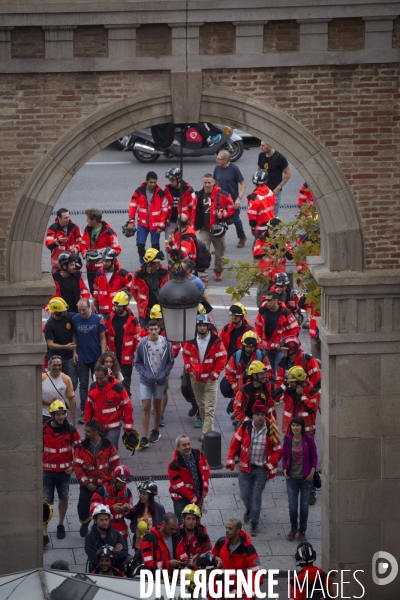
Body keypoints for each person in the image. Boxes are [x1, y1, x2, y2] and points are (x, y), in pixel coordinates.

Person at [226, 401, 282, 536]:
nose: (260, 417)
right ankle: (250, 510)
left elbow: (277, 450)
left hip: (261, 470)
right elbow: (235, 444)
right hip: (245, 468)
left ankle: (254, 523)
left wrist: (270, 464)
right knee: (244, 495)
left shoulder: (271, 428)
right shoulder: (245, 426)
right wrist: (230, 459)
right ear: (253, 415)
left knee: (256, 496)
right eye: (257, 414)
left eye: (262, 414)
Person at [182, 314, 227, 439]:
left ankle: (207, 434)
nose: (202, 328)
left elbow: (222, 358)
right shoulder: (191, 339)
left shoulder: (216, 340)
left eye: (204, 325)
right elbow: (186, 354)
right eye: (200, 325)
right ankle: (207, 430)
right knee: (201, 406)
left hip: (210, 380)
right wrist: (188, 369)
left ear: (208, 326)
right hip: (195, 378)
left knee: (209, 408)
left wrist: (215, 374)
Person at [43, 400, 81, 546]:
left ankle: (60, 524)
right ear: (51, 415)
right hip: (47, 472)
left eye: (63, 414)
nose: (60, 417)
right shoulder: (43, 430)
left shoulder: (71, 429)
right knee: (45, 503)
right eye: (57, 414)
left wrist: (73, 465)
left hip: (64, 472)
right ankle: (44, 533)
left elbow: (79, 449)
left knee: (64, 498)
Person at [73, 420, 120, 537]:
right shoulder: (81, 447)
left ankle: (101, 528)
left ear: (96, 432)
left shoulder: (108, 446)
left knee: (103, 508)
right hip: (88, 485)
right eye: (85, 431)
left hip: (104, 486)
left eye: (88, 431)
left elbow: (116, 464)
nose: (85, 433)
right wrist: (86, 482)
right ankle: (85, 523)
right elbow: (77, 466)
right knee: (83, 508)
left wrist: (113, 482)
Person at [134, 319, 174, 447]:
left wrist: (164, 374)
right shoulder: (142, 344)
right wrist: (145, 374)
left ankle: (155, 430)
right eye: (151, 330)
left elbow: (170, 361)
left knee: (157, 405)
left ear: (159, 329)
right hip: (146, 380)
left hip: (160, 380)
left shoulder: (166, 344)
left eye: (155, 329)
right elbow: (137, 362)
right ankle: (144, 436)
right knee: (146, 406)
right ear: (147, 330)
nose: (153, 332)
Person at [138, 305, 181, 427]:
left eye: (161, 319)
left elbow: (176, 347)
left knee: (163, 390)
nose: (161, 322)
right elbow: (138, 345)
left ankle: (160, 414)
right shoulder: (146, 331)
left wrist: (167, 360)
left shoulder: (169, 331)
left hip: (162, 368)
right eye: (159, 320)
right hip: (147, 368)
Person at [194, 173, 235, 283]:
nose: (207, 185)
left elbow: (232, 207)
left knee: (219, 253)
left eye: (209, 182)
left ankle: (218, 271)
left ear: (213, 183)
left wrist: (223, 214)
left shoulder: (223, 195)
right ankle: (203, 275)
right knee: (202, 252)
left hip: (218, 230)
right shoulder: (198, 195)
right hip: (204, 229)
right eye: (205, 183)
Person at [282, 417, 318, 542]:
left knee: (304, 507)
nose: (295, 428)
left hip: (306, 479)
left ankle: (302, 531)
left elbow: (314, 456)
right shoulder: (288, 440)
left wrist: (312, 471)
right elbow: (284, 456)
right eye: (293, 425)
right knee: (292, 507)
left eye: (297, 425)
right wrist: (285, 469)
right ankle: (293, 528)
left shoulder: (308, 439)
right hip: (292, 478)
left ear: (302, 427)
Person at [72, 299, 106, 423]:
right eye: (79, 310)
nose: (82, 312)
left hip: (96, 357)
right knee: (83, 385)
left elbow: (103, 338)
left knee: (98, 382)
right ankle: (84, 410)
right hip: (81, 357)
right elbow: (74, 336)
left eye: (84, 310)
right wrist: (74, 352)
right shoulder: (75, 319)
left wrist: (102, 355)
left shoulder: (97, 319)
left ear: (89, 308)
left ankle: (99, 409)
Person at [84, 365, 134, 450]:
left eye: (101, 378)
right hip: (97, 427)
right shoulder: (92, 387)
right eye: (97, 378)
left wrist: (128, 427)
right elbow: (88, 408)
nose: (99, 381)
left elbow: (128, 407)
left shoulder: (118, 388)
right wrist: (87, 424)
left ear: (107, 375)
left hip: (113, 428)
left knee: (111, 451)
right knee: (98, 452)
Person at [211, 519, 263, 597]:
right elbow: (211, 561)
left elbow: (257, 574)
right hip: (222, 592)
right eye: (226, 528)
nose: (227, 531)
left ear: (238, 530)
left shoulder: (249, 549)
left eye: (230, 528)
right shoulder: (221, 542)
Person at [127, 171, 170, 264]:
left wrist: (161, 225)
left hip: (155, 226)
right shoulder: (138, 192)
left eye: (155, 182)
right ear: (146, 181)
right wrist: (131, 221)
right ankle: (144, 266)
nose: (153, 184)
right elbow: (132, 206)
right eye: (151, 182)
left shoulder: (161, 193)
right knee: (140, 246)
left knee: (155, 248)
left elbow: (165, 210)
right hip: (142, 225)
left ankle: (155, 266)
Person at [222, 331, 272, 410]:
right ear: (243, 346)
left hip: (257, 387)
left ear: (255, 346)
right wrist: (236, 388)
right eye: (247, 346)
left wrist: (261, 380)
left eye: (251, 347)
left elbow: (269, 372)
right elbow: (228, 373)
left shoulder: (260, 356)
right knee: (225, 386)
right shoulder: (236, 356)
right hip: (240, 387)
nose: (249, 349)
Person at [254, 291, 300, 378]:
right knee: (268, 373)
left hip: (280, 349)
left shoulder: (285, 312)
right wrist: (259, 341)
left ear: (275, 300)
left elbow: (295, 328)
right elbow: (257, 327)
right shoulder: (263, 311)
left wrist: (285, 343)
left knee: (281, 371)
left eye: (269, 300)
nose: (266, 302)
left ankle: (280, 389)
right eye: (266, 300)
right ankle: (272, 389)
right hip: (266, 348)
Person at [104, 291, 141, 396]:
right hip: (113, 357)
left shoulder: (133, 320)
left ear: (125, 305)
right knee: (112, 382)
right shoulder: (110, 318)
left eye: (119, 306)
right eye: (115, 305)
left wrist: (136, 356)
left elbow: (138, 339)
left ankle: (126, 404)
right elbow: (105, 334)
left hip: (127, 358)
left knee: (125, 383)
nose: (117, 308)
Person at [168, 435, 210, 526]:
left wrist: (205, 489)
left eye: (188, 444)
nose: (187, 447)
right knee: (182, 526)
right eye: (184, 445)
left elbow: (205, 470)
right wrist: (195, 500)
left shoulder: (198, 454)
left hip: (197, 497)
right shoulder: (174, 465)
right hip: (181, 500)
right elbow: (179, 487)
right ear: (178, 448)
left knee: (196, 524)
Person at [90, 465, 133, 548]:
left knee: (123, 557)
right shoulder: (101, 491)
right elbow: (93, 510)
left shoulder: (127, 493)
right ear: (114, 479)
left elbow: (129, 515)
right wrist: (111, 508)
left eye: (124, 483)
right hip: (103, 532)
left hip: (121, 534)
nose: (122, 485)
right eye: (120, 482)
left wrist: (128, 509)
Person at [81, 208, 121, 295]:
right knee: (93, 292)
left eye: (88, 219)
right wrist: (84, 253)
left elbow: (117, 249)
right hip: (90, 267)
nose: (86, 221)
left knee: (104, 292)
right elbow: (83, 243)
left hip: (103, 268)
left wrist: (104, 255)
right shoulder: (87, 229)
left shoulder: (109, 232)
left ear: (94, 220)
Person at [213, 149, 247, 248]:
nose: (217, 160)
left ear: (226, 160)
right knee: (218, 222)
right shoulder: (217, 168)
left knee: (236, 220)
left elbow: (243, 184)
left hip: (232, 201)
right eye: (217, 158)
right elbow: (215, 183)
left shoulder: (234, 168)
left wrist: (239, 198)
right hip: (220, 201)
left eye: (219, 159)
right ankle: (219, 245)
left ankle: (242, 237)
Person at [44, 297, 78, 390]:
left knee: (72, 383)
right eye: (63, 310)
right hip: (54, 358)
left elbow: (82, 316)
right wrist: (66, 347)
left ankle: (69, 398)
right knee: (53, 383)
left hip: (68, 357)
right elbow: (50, 344)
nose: (66, 311)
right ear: (57, 312)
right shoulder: (50, 325)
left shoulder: (69, 316)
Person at [131, 248, 169, 328]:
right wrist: (141, 302)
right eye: (156, 262)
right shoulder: (139, 275)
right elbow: (134, 291)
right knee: (144, 334)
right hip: (145, 311)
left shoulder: (163, 272)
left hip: (160, 310)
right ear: (149, 263)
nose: (159, 264)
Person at [84, 504, 127, 570]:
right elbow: (96, 561)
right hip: (97, 574)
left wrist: (105, 556)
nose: (104, 522)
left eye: (106, 519)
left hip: (116, 573)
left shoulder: (115, 534)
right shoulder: (90, 538)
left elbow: (124, 554)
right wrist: (114, 552)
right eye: (101, 520)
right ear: (95, 521)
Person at [233, 360, 276, 425]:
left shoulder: (268, 384)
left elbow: (271, 403)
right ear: (254, 376)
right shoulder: (245, 389)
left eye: (264, 373)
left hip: (264, 421)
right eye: (261, 374)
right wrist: (247, 421)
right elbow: (237, 408)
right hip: (248, 422)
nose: (264, 376)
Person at [93, 248, 132, 317]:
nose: (104, 263)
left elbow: (132, 289)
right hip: (102, 311)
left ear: (113, 260)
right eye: (103, 260)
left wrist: (125, 303)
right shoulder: (99, 273)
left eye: (107, 261)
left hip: (117, 311)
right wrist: (93, 303)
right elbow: (96, 289)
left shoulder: (122, 274)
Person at [127, 480, 166, 550]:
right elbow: (132, 523)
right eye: (140, 493)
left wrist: (153, 531)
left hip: (153, 545)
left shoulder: (159, 508)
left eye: (144, 494)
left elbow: (163, 525)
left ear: (150, 496)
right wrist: (136, 530)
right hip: (139, 546)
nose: (141, 496)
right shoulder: (137, 508)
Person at [257, 140, 291, 216]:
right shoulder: (261, 155)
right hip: (262, 192)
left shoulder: (280, 158)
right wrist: (257, 185)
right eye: (260, 145)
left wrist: (278, 187)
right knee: (262, 215)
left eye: (263, 145)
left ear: (269, 146)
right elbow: (258, 170)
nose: (260, 147)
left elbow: (288, 174)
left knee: (273, 217)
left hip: (274, 193)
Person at [42, 355, 76, 425]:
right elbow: (33, 397)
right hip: (45, 415)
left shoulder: (66, 379)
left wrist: (72, 418)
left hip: (61, 416)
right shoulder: (42, 378)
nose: (57, 368)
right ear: (49, 364)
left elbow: (71, 399)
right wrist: (45, 402)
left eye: (59, 365)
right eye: (54, 365)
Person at [45, 207, 82, 271]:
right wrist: (58, 241)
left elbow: (80, 240)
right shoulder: (52, 229)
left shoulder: (74, 227)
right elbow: (49, 244)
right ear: (59, 218)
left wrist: (77, 248)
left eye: (68, 217)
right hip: (58, 265)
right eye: (65, 218)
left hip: (72, 264)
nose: (67, 219)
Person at [164, 166, 196, 235]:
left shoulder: (189, 190)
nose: (170, 182)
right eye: (169, 180)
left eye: (172, 180)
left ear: (179, 179)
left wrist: (192, 225)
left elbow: (193, 210)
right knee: (169, 245)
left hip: (184, 224)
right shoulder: (167, 190)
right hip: (171, 223)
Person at [247, 169, 276, 239]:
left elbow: (252, 217)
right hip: (271, 225)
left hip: (261, 228)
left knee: (258, 248)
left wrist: (253, 229)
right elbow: (274, 204)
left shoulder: (254, 197)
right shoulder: (269, 191)